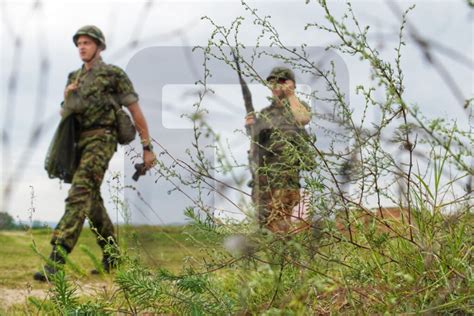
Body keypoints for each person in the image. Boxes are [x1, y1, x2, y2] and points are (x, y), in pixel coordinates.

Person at [34, 25, 155, 281]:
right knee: (90, 202)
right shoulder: (73, 78)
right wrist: (68, 98)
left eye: (87, 42)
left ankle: (56, 261)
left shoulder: (113, 75)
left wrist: (147, 148)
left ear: (99, 46)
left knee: (78, 194)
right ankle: (112, 256)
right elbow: (64, 113)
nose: (82, 47)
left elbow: (136, 112)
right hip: (78, 142)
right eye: (79, 43)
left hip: (103, 139)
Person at [245, 67, 312, 234]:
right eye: (272, 81)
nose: (276, 85)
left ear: (292, 84)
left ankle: (288, 258)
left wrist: (290, 94)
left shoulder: (297, 106)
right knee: (264, 226)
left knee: (281, 224)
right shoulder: (265, 113)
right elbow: (256, 141)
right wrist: (250, 126)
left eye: (282, 81)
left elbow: (303, 119)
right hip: (263, 178)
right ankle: (275, 259)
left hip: (285, 177)